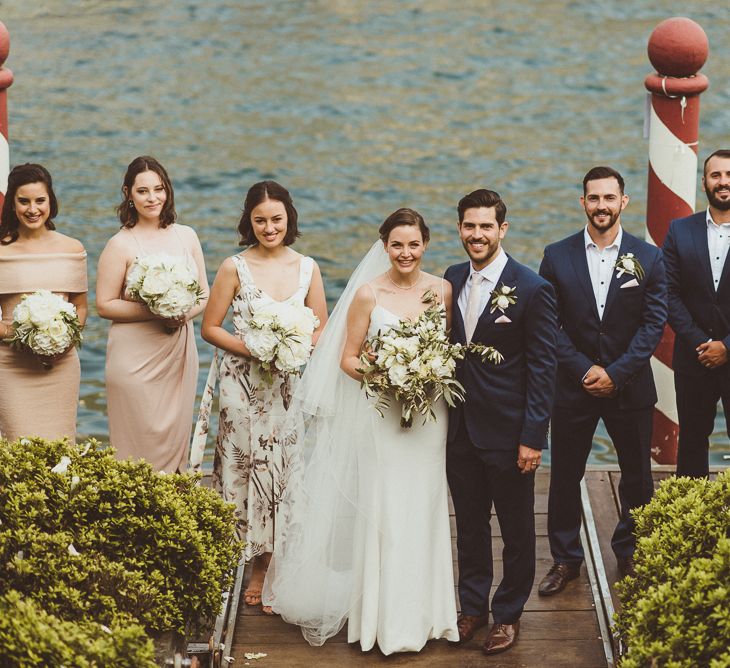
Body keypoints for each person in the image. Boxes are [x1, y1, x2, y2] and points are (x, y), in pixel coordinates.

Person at [263, 208, 459, 655]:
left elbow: (448, 351)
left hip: (430, 418)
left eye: (413, 244)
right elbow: (347, 358)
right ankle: (380, 621)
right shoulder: (369, 296)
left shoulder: (443, 291)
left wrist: (425, 373)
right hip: (383, 416)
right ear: (385, 246)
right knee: (386, 506)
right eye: (397, 244)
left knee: (424, 506)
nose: (405, 253)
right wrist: (385, 376)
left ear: (425, 243)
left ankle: (430, 617)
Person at [192, 180, 327, 611]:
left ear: (290, 218)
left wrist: (295, 349)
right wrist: (255, 348)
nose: (269, 228)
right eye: (260, 220)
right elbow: (210, 327)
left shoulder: (308, 267)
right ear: (249, 222)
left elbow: (321, 326)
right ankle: (237, 555)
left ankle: (268, 566)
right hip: (241, 385)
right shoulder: (235, 267)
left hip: (285, 385)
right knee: (239, 469)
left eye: (277, 219)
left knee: (279, 473)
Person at [538, 166, 666, 595]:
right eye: (594, 199)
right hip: (574, 386)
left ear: (623, 202)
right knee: (565, 475)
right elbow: (548, 324)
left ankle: (629, 549)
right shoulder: (557, 255)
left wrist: (616, 372)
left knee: (636, 477)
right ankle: (565, 558)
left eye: (609, 198)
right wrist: (582, 369)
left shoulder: (648, 257)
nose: (601, 206)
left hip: (629, 386)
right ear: (583, 203)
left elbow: (652, 325)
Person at [445, 189, 557, 656]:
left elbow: (543, 369)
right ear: (460, 229)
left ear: (502, 229)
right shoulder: (450, 279)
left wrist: (533, 437)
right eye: (469, 226)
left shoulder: (532, 288)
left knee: (515, 530)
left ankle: (508, 614)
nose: (477, 234)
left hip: (510, 433)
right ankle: (472, 607)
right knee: (469, 525)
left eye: (486, 226)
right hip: (459, 430)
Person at [96, 156, 208, 472]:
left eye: (159, 189)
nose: (152, 198)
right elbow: (105, 304)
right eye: (143, 191)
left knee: (175, 443)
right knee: (135, 450)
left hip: (177, 354)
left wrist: (182, 314)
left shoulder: (186, 235)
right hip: (133, 362)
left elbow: (204, 293)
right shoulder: (120, 244)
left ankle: (171, 516)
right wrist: (156, 311)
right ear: (128, 194)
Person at [0, 163, 88, 442]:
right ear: (12, 204)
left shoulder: (72, 249)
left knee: (61, 449)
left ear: (51, 201)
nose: (32, 209)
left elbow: (82, 307)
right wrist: (19, 336)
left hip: (61, 365)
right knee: (19, 448)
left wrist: (64, 341)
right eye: (23, 201)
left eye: (40, 200)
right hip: (11, 365)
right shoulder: (1, 251)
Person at [663, 149, 730, 478]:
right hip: (694, 355)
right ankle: (690, 519)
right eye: (716, 175)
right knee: (691, 440)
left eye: (729, 175)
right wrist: (701, 342)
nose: (723, 182)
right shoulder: (679, 230)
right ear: (704, 181)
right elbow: (668, 293)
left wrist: (726, 347)